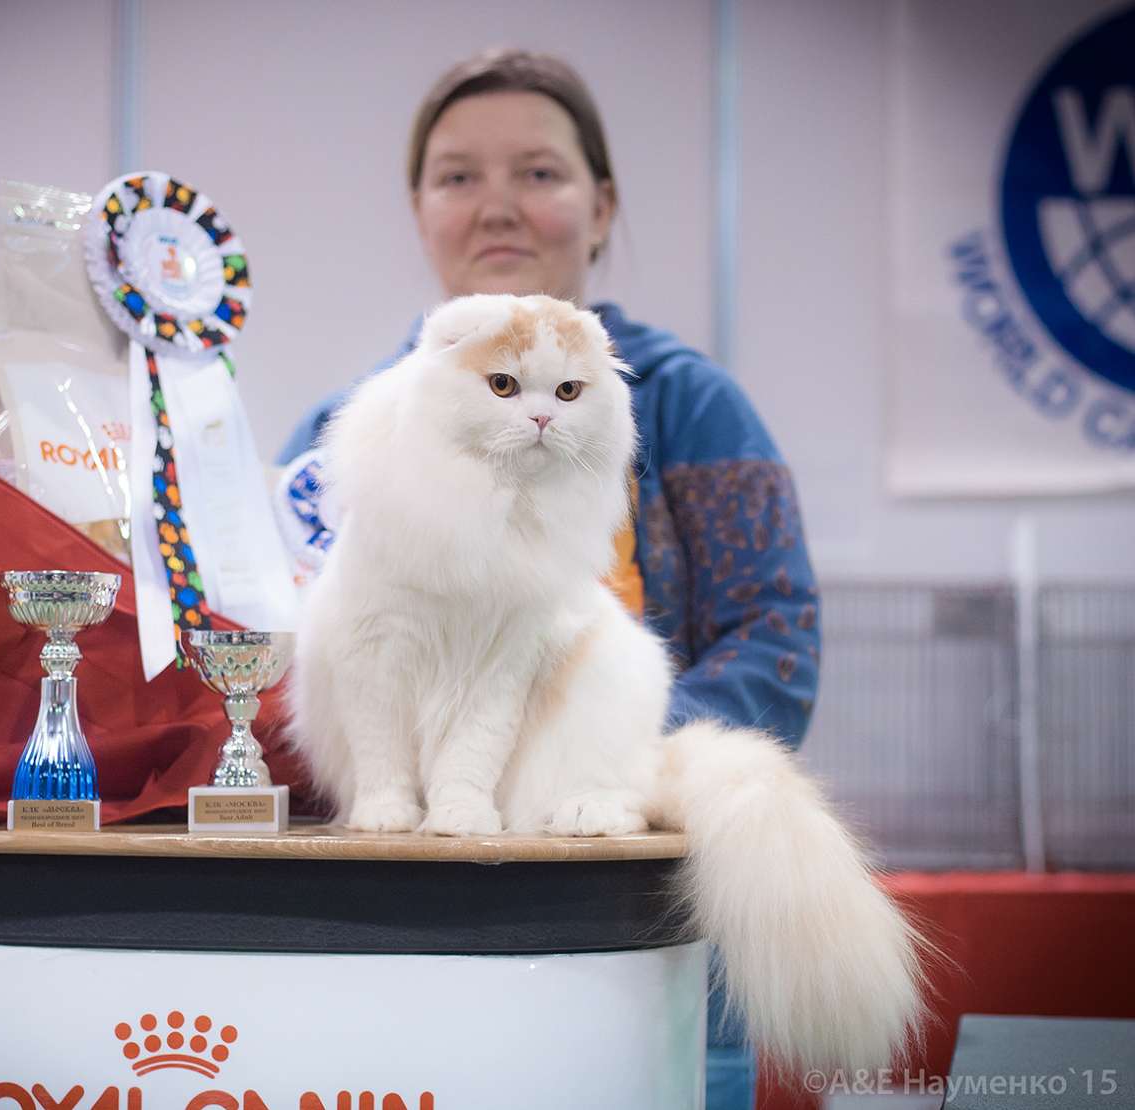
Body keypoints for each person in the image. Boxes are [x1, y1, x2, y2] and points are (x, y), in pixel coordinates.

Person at [276, 48, 821, 1109]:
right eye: (457, 176)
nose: (496, 206)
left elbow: (776, 639)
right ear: (418, 208)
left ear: (601, 205)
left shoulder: (687, 404)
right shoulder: (339, 434)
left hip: (632, 938)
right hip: (392, 955)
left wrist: (597, 775)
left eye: (537, 172)